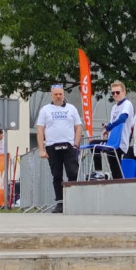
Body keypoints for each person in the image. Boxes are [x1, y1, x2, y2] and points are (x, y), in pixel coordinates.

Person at [36, 83, 83, 213]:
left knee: (73, 173)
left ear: (64, 95)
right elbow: (40, 130)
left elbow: (78, 127)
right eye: (55, 94)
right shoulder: (45, 110)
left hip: (69, 146)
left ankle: (73, 201)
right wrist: (41, 149)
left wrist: (76, 144)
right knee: (57, 175)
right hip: (52, 146)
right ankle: (60, 202)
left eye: (60, 94)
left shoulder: (71, 108)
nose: (58, 96)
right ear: (51, 95)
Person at [104, 81, 134, 159]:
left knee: (115, 167)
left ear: (124, 92)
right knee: (93, 144)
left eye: (117, 92)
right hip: (112, 140)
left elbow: (122, 119)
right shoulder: (114, 108)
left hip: (120, 142)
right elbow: (112, 123)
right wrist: (106, 129)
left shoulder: (127, 104)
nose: (115, 95)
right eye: (113, 93)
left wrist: (109, 127)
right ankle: (98, 169)